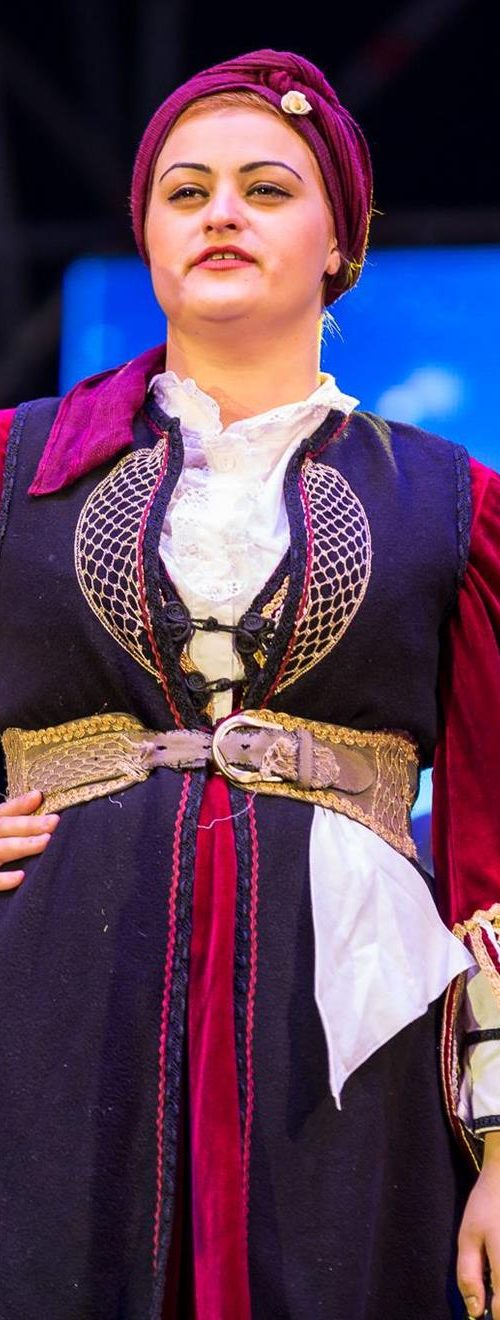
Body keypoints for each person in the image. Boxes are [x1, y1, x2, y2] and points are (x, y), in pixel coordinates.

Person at [0, 47, 499, 1320]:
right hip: (51, 1002)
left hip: (345, 1033)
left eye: (265, 188)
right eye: (187, 191)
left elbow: (494, 852)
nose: (221, 212)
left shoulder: (449, 503)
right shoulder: (14, 468)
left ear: (339, 240)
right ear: (147, 234)